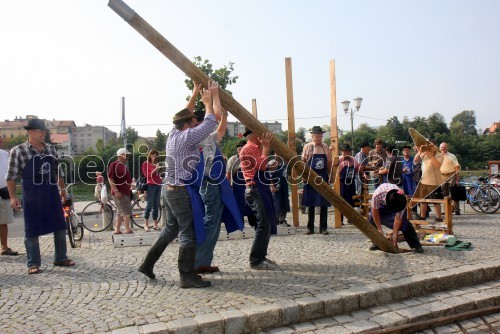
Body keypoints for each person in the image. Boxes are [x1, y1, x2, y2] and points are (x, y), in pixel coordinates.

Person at [138, 80, 219, 288]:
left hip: (169, 189)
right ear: (188, 125)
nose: (196, 124)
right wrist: (208, 101)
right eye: (193, 122)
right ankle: (186, 276)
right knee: (188, 232)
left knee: (170, 230)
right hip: (180, 191)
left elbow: (185, 113)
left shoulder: (173, 134)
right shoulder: (187, 136)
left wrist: (193, 95)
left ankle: (147, 264)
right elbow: (211, 122)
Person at [6, 118, 75, 274]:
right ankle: (33, 263)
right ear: (30, 132)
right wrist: (12, 197)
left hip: (51, 193)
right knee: (31, 229)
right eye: (41, 131)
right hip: (31, 196)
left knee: (59, 225)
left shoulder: (51, 149)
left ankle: (60, 257)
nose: (44, 133)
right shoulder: (18, 150)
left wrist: (63, 190)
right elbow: (11, 176)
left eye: (45, 131)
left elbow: (58, 171)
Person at [194, 87, 243, 274]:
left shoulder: (207, 138)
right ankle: (198, 261)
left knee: (213, 223)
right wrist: (214, 96)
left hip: (215, 183)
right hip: (210, 183)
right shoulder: (199, 136)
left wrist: (224, 116)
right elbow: (213, 116)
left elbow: (220, 129)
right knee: (210, 222)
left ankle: (204, 260)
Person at [240, 127, 277, 270]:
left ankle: (261, 256)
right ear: (253, 135)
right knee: (263, 224)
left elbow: (262, 167)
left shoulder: (255, 148)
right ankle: (255, 260)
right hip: (255, 188)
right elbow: (261, 166)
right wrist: (267, 147)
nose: (263, 136)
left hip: (260, 188)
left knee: (266, 223)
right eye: (260, 133)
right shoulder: (249, 149)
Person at [368, 183, 424, 253]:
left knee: (404, 224)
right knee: (371, 219)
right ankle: (376, 243)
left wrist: (395, 236)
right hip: (381, 207)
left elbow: (398, 219)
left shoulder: (401, 200)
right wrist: (379, 229)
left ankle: (416, 245)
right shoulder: (377, 195)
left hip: (394, 204)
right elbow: (375, 212)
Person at [302, 126, 332, 235]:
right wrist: (304, 177)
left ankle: (323, 228)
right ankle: (310, 228)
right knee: (311, 203)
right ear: (312, 136)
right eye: (316, 136)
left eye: (320, 136)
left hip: (323, 176)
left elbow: (329, 163)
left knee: (323, 202)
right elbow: (303, 163)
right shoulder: (307, 147)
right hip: (310, 176)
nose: (318, 138)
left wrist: (330, 176)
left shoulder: (325, 147)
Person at [227, 139, 257, 227]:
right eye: (240, 149)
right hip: (237, 187)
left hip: (249, 184)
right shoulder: (233, 159)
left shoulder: (250, 158)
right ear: (238, 150)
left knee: (251, 205)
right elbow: (228, 174)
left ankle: (254, 224)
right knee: (239, 206)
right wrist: (229, 186)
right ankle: (240, 225)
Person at [413, 140, 444, 222]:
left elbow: (438, 165)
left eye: (431, 145)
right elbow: (416, 160)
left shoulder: (439, 155)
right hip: (424, 180)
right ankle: (422, 216)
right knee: (423, 199)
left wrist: (430, 156)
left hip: (434, 181)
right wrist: (420, 150)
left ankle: (439, 217)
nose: (430, 147)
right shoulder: (425, 153)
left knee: (435, 200)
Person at [108, 148, 134, 234]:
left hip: (124, 191)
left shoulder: (122, 165)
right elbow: (110, 178)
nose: (128, 157)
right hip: (120, 192)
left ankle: (117, 229)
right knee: (126, 210)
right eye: (127, 155)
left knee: (120, 211)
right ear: (122, 155)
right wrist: (116, 191)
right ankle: (127, 229)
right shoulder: (114, 164)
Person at [0, 136, 18, 256]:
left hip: (3, 191)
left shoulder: (5, 154)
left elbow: (11, 173)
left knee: (3, 221)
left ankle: (4, 247)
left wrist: (12, 194)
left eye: (0, 140)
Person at [141, 149, 162, 231]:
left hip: (158, 184)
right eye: (153, 154)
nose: (154, 156)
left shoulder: (156, 163)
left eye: (156, 155)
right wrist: (155, 169)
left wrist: (159, 170)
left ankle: (155, 224)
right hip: (151, 184)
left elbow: (157, 175)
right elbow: (147, 175)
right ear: (149, 155)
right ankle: (146, 224)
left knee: (156, 205)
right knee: (149, 205)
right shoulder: (145, 163)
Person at [338, 144, 359, 224]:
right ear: (342, 152)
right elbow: (334, 172)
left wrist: (362, 173)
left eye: (348, 152)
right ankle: (340, 219)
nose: (346, 153)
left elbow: (357, 169)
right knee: (341, 201)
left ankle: (350, 218)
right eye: (344, 152)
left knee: (351, 201)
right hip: (342, 184)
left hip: (351, 183)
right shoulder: (339, 159)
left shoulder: (353, 159)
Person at [439, 142, 461, 215]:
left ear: (447, 147)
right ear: (439, 148)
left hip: (452, 175)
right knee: (444, 194)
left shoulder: (452, 156)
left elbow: (457, 168)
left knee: (454, 192)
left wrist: (457, 179)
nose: (443, 149)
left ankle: (456, 209)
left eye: (444, 147)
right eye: (442, 147)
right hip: (442, 176)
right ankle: (446, 210)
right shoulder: (437, 156)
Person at [268, 157, 290, 226]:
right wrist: (271, 185)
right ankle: (274, 220)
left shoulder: (286, 163)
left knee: (285, 202)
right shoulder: (272, 162)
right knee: (276, 203)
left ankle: (282, 219)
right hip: (275, 185)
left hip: (284, 185)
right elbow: (269, 174)